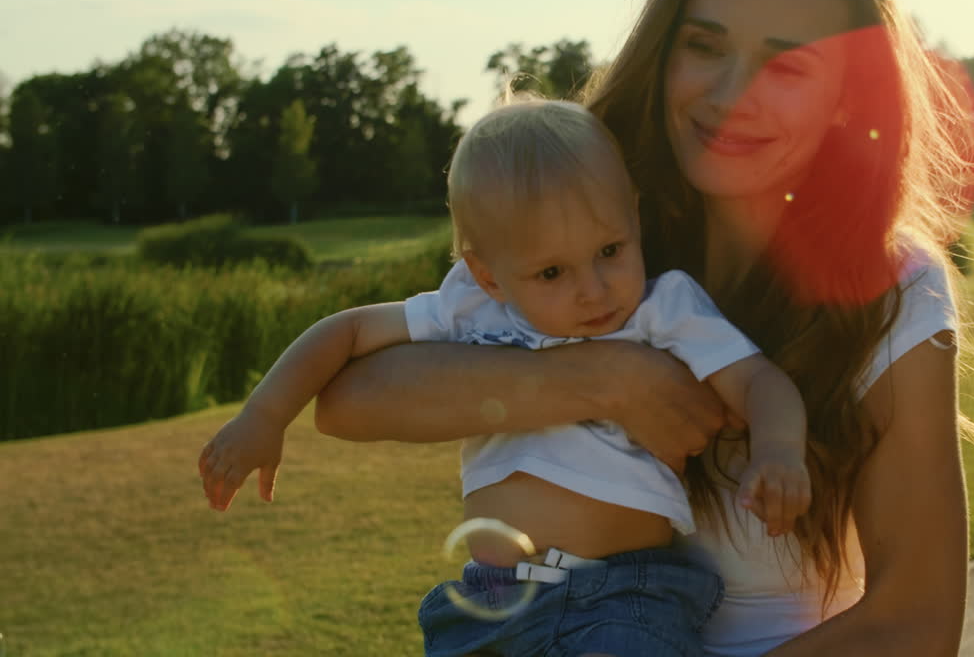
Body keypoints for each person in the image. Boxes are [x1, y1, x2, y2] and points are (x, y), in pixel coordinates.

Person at [203, 0, 974, 654]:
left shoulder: (892, 289)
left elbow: (916, 622)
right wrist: (604, 379)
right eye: (704, 45)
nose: (731, 92)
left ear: (848, 95)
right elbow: (349, 399)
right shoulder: (590, 221)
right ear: (664, 51)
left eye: (786, 66)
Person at [199, 96, 813, 657]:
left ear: (633, 216)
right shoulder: (472, 311)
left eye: (610, 251)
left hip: (622, 599)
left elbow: (757, 381)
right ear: (488, 274)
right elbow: (349, 331)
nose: (594, 290)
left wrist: (780, 450)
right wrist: (264, 416)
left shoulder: (664, 308)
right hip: (488, 602)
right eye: (552, 273)